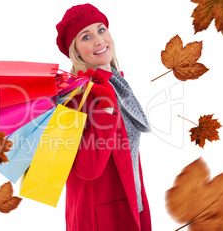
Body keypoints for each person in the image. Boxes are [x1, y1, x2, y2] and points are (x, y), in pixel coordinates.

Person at [56, 3, 152, 231]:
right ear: (76, 50)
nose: (99, 40)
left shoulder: (117, 84)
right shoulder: (74, 96)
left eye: (101, 30)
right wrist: (104, 107)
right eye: (86, 36)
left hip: (130, 204)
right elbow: (88, 169)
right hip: (99, 218)